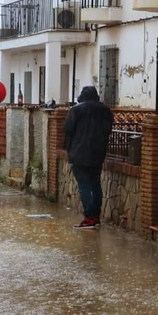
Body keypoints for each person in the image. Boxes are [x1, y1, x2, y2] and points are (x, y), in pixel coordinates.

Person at [63, 85, 114, 228]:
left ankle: (89, 217)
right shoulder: (106, 111)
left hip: (79, 153)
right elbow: (108, 130)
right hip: (98, 153)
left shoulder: (77, 110)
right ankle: (95, 216)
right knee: (95, 184)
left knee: (84, 185)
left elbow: (67, 129)